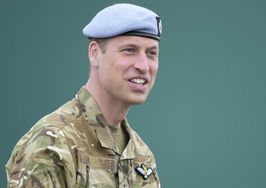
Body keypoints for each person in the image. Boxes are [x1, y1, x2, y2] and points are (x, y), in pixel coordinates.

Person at [5, 3, 162, 188]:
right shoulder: (53, 144)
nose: (143, 66)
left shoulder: (140, 154)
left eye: (151, 53)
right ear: (95, 54)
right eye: (129, 50)